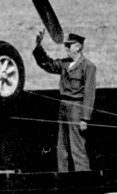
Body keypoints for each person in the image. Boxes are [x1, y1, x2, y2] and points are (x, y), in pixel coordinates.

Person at [33, 30, 97, 172]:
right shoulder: (64, 64)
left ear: (79, 47)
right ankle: (63, 179)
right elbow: (47, 64)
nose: (66, 48)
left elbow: (89, 93)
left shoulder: (88, 66)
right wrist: (38, 46)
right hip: (63, 107)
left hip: (77, 108)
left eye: (70, 45)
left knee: (77, 148)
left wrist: (85, 118)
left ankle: (83, 179)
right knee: (62, 148)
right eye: (66, 45)